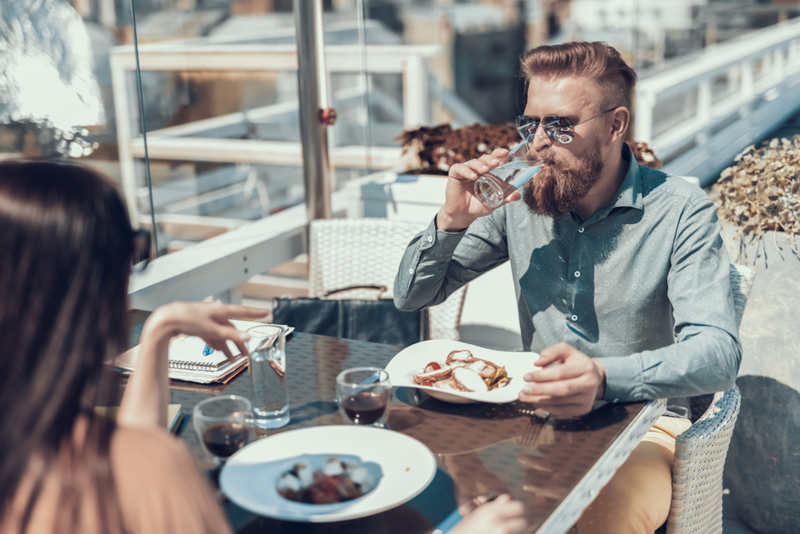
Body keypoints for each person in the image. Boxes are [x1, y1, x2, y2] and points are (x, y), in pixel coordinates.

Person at [0, 160, 526, 534]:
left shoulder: (51, 445)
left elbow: (123, 458)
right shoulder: (148, 469)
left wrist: (159, 331)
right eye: (132, 253)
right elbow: (136, 465)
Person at [394, 41, 741, 534]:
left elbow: (718, 353)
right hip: (529, 414)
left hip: (645, 425)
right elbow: (411, 296)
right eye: (530, 123)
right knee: (413, 483)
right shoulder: (519, 202)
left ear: (615, 125)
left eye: (559, 125)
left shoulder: (681, 210)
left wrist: (602, 377)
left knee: (595, 520)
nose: (538, 142)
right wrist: (449, 222)